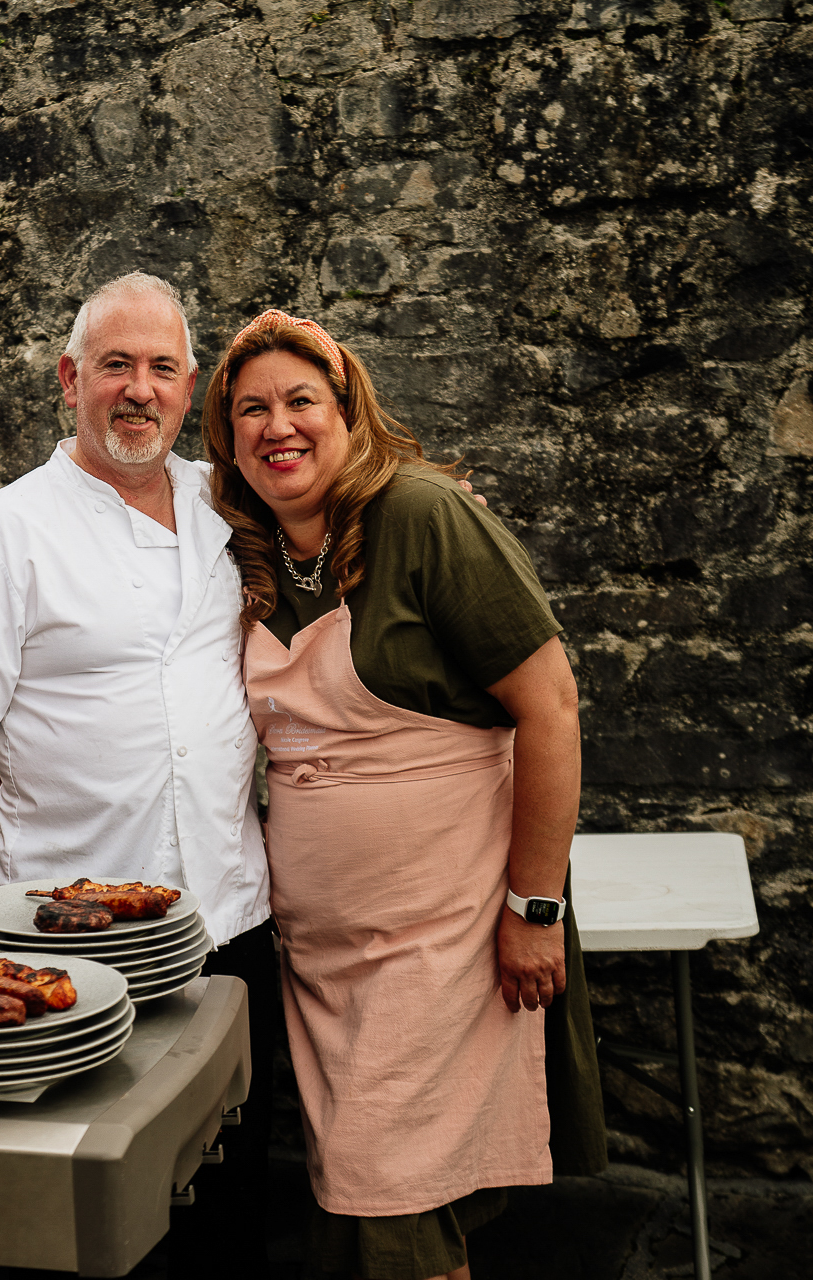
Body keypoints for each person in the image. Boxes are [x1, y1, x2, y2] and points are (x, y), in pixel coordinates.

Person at [202, 309, 606, 1280]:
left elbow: (550, 705)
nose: (277, 424)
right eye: (251, 408)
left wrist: (534, 908)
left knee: (398, 1209)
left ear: (348, 411)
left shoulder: (422, 514)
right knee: (359, 1206)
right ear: (228, 441)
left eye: (302, 398)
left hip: (445, 938)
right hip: (326, 956)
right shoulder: (244, 562)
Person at [0, 271, 277, 1278]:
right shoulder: (5, 534)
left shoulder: (223, 505)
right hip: (75, 953)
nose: (138, 389)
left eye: (161, 368)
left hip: (233, 931)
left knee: (231, 1212)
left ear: (189, 388)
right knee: (96, 1228)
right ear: (70, 378)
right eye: (116, 365)